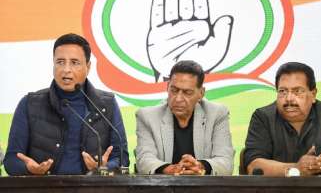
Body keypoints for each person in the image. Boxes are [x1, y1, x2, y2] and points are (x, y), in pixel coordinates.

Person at [4, 33, 129, 175]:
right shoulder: (30, 104)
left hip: (92, 188)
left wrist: (104, 168)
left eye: (74, 62)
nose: (66, 69)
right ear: (53, 63)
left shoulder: (107, 104)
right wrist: (29, 168)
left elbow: (122, 158)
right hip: (45, 188)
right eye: (60, 62)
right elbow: (11, 160)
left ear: (88, 67)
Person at [244, 62, 321, 176]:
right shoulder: (263, 117)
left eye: (297, 91)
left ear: (313, 94)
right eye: (282, 91)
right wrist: (295, 169)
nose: (289, 99)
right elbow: (253, 166)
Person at [135, 60, 234, 175]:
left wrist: (200, 166)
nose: (178, 99)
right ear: (167, 87)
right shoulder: (147, 117)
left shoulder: (217, 114)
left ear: (201, 93)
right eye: (174, 90)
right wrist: (171, 169)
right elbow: (144, 161)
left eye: (187, 92)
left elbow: (226, 163)